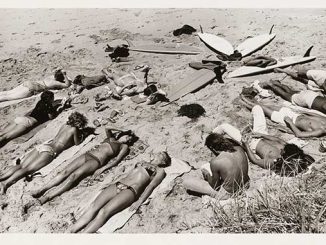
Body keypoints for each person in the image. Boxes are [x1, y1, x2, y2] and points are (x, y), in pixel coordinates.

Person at [67, 151, 171, 233]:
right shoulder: (142, 162)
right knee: (94, 206)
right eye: (159, 152)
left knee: (104, 211)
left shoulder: (160, 171)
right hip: (118, 183)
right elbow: (127, 175)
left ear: (164, 162)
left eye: (162, 155)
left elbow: (151, 186)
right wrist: (111, 182)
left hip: (131, 190)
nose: (158, 153)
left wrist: (140, 201)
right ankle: (72, 230)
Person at [30, 128, 138, 205]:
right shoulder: (112, 138)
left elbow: (117, 160)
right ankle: (41, 190)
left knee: (73, 176)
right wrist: (122, 129)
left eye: (130, 140)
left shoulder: (124, 147)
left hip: (96, 161)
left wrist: (102, 168)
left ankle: (48, 196)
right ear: (124, 134)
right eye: (128, 136)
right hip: (87, 155)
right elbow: (107, 128)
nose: (128, 139)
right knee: (64, 172)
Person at [0, 112, 88, 194]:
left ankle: (2, 177)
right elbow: (77, 143)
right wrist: (82, 136)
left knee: (21, 165)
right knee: (27, 169)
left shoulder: (64, 125)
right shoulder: (74, 130)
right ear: (79, 123)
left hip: (44, 145)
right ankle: (5, 183)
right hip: (50, 151)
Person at [241, 104, 314, 175]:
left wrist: (246, 145)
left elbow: (255, 160)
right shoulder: (288, 148)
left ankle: (246, 127)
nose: (281, 150)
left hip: (250, 143)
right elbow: (277, 140)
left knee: (230, 130)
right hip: (262, 134)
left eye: (282, 152)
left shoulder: (273, 162)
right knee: (257, 108)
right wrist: (261, 134)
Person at [183, 124, 249, 200]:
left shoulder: (216, 162)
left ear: (212, 148)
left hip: (229, 194)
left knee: (186, 182)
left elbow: (215, 187)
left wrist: (207, 175)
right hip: (245, 184)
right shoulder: (239, 149)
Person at [0, 91, 69, 148]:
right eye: (53, 97)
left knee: (2, 133)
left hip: (21, 118)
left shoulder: (40, 102)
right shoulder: (48, 106)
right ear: (50, 99)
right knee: (6, 136)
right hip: (27, 122)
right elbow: (51, 117)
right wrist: (60, 109)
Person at [241, 95, 326, 138]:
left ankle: (243, 101)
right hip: (295, 114)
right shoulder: (324, 119)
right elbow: (314, 114)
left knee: (262, 108)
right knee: (269, 106)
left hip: (288, 120)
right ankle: (251, 100)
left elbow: (299, 134)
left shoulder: (319, 131)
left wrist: (289, 122)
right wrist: (300, 111)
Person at [0, 69, 72, 103]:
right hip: (32, 88)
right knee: (8, 97)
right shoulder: (55, 83)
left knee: (8, 92)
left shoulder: (51, 77)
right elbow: (67, 85)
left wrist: (61, 72)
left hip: (29, 83)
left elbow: (57, 72)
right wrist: (65, 75)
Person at [261, 79, 326, 114]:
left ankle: (276, 83)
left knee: (291, 91)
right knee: (285, 94)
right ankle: (271, 85)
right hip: (307, 100)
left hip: (313, 95)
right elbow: (324, 106)